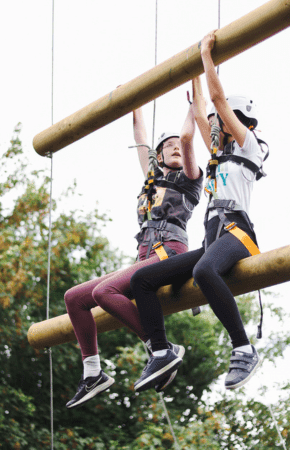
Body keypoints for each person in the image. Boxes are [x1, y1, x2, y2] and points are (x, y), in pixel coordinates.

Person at [130, 31, 267, 393]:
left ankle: (243, 347)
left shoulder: (249, 148)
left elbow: (217, 101)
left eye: (222, 123)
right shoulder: (219, 154)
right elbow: (202, 107)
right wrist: (194, 68)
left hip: (236, 233)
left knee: (204, 271)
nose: (216, 128)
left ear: (239, 121)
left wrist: (207, 56)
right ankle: (159, 352)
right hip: (211, 240)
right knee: (141, 281)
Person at [64, 98, 203, 409]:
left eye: (178, 145)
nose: (176, 148)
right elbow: (139, 135)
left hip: (169, 251)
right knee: (74, 297)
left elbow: (188, 137)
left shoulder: (190, 179)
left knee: (104, 291)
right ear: (159, 155)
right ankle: (93, 373)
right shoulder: (152, 179)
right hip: (144, 257)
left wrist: (194, 105)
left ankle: (161, 347)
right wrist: (134, 100)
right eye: (169, 146)